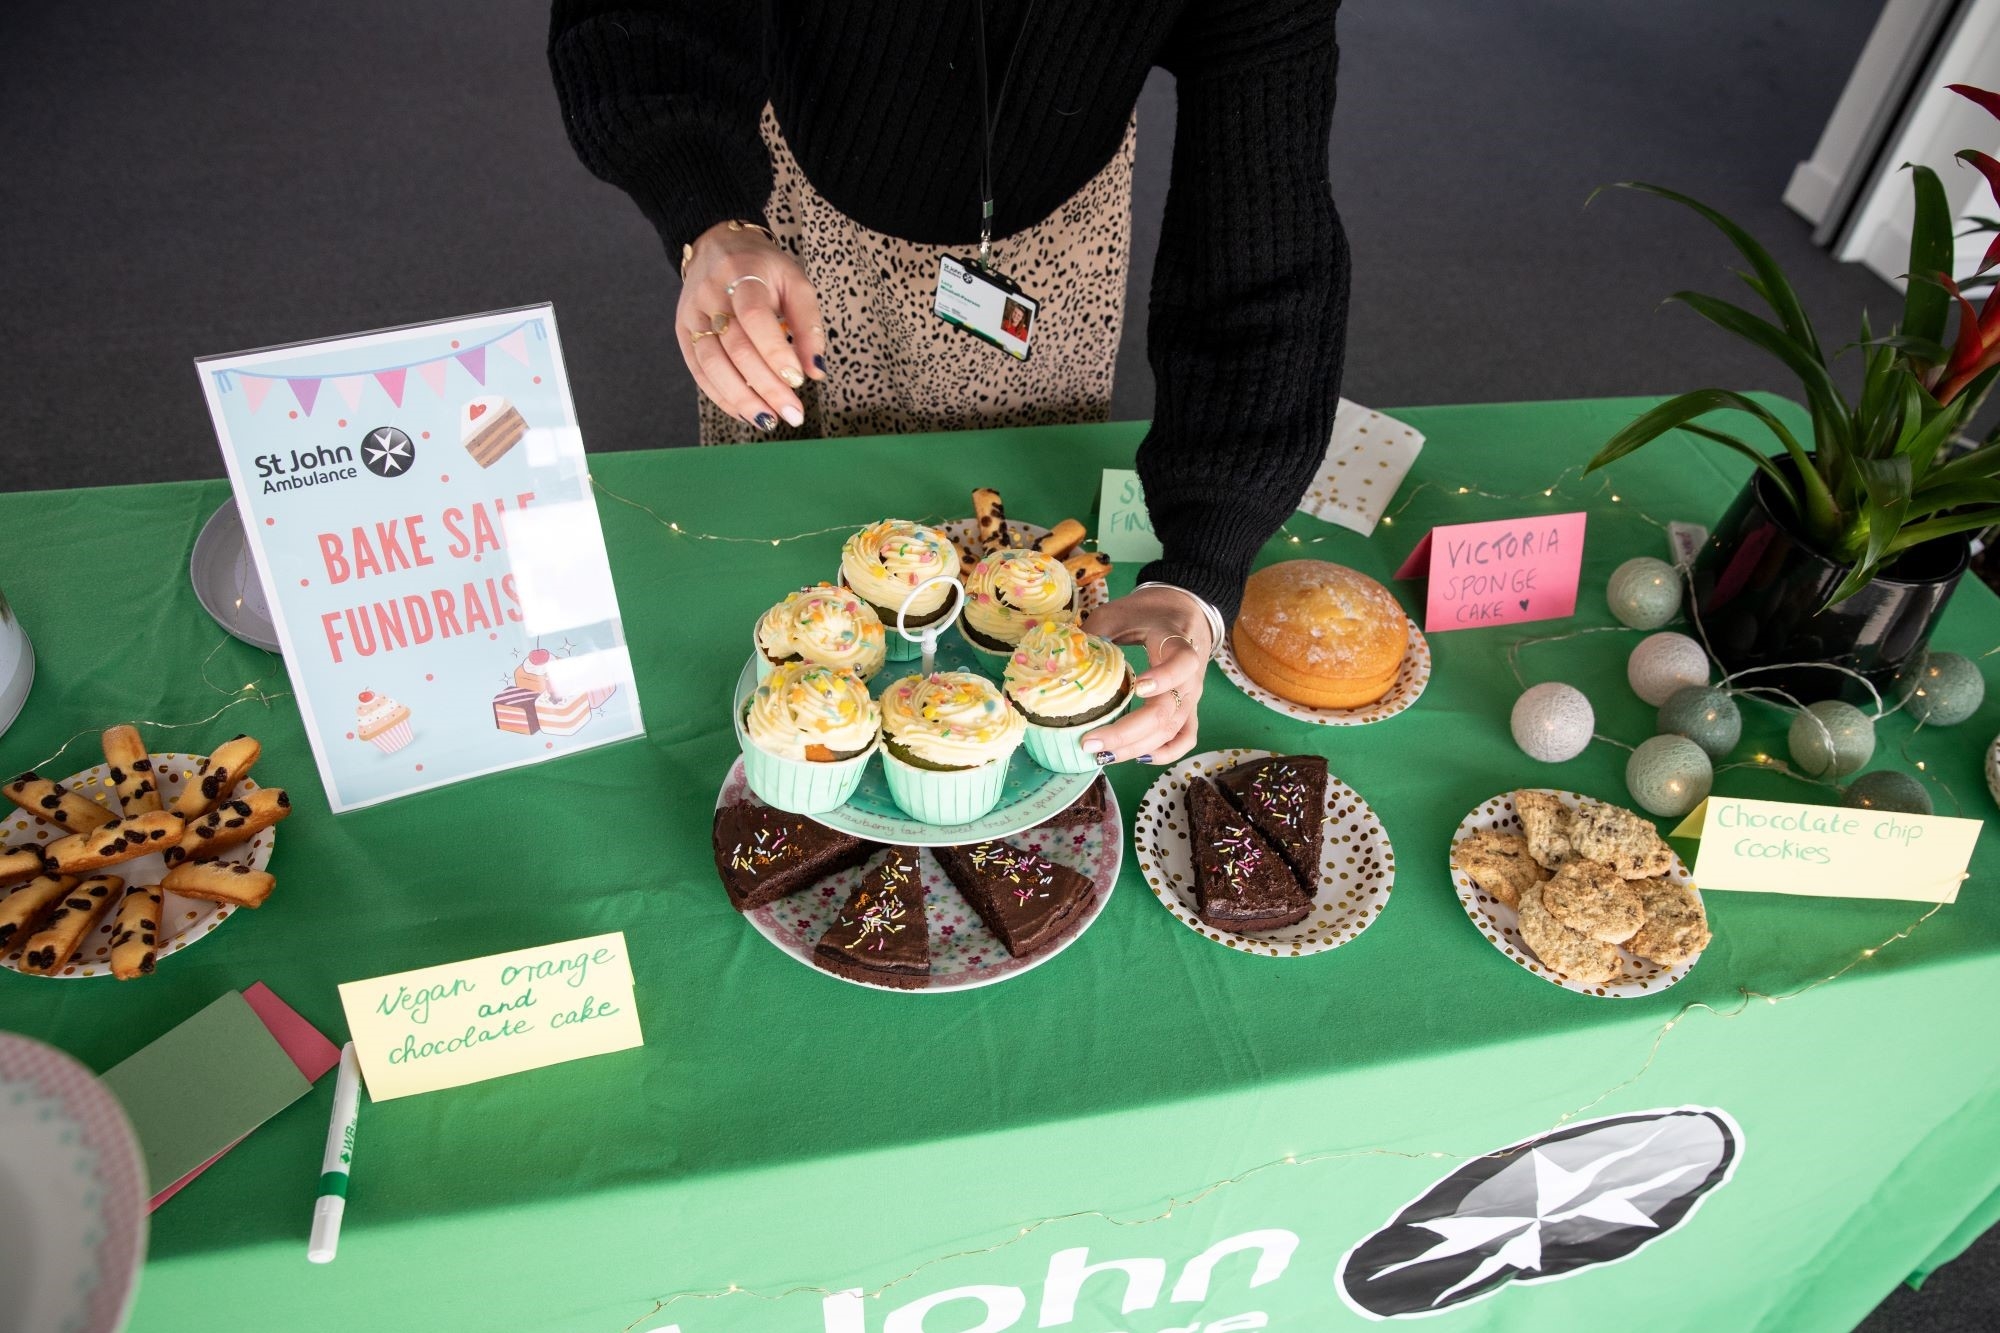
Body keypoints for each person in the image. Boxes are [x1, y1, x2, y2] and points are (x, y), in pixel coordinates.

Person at [549, 0, 1349, 766]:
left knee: (1028, 525)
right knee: (774, 537)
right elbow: (637, 13)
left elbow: (1264, 241)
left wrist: (1197, 574)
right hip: (786, 225)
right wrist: (709, 218)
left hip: (1053, 231)